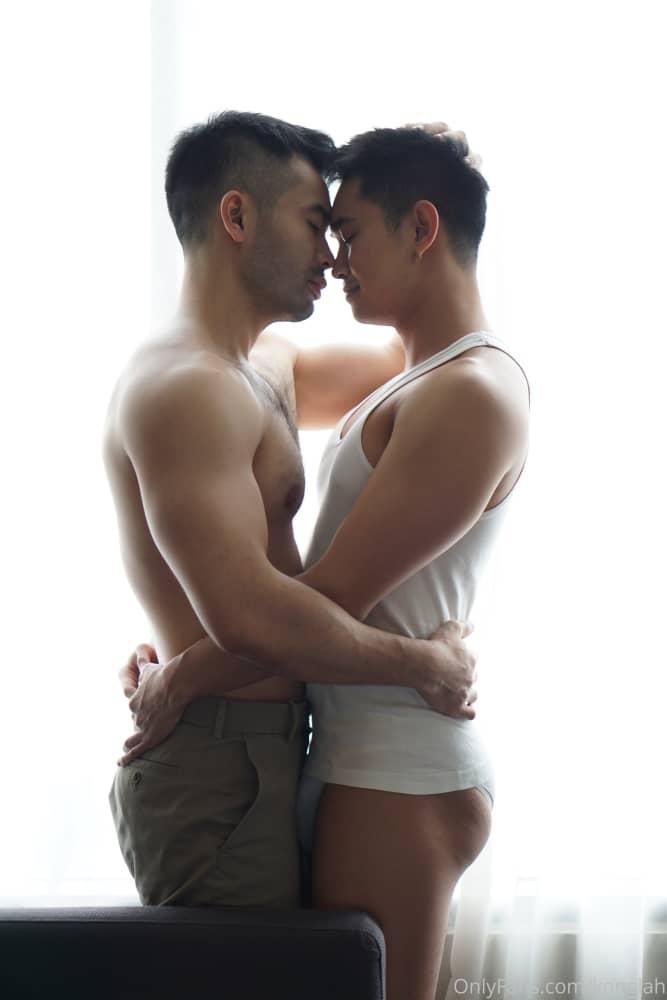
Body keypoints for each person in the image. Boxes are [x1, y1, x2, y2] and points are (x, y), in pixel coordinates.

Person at [119, 123, 530, 999]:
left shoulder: (272, 368)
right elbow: (255, 617)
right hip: (233, 760)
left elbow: (432, 349)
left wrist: (436, 175)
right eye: (318, 225)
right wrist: (420, 662)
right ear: (237, 217)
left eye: (344, 231)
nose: (331, 257)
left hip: (335, 753)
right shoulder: (191, 385)